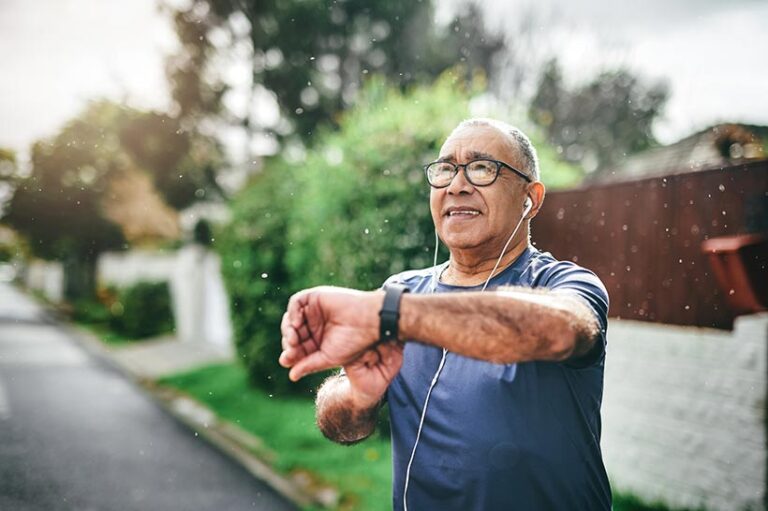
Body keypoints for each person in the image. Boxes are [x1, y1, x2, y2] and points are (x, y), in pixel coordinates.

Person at [279, 118, 612, 510]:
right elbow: (341, 427)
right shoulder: (402, 292)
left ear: (531, 198)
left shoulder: (564, 284)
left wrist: (393, 313)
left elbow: (560, 329)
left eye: (482, 168)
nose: (456, 185)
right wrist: (357, 397)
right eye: (445, 169)